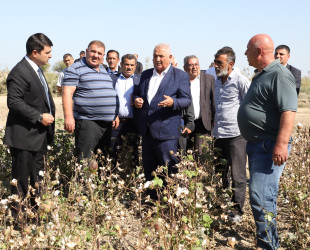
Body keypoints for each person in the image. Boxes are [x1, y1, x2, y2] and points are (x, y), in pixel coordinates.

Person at [239, 34, 297, 249]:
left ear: (259, 51)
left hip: (269, 145)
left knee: (262, 198)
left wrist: (281, 144)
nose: (245, 54)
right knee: (259, 196)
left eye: (247, 50)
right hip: (258, 145)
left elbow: (288, 110)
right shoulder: (263, 74)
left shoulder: (279, 74)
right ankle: (265, 242)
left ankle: (268, 246)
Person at [4, 33, 55, 223]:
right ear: (35, 52)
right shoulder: (19, 72)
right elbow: (14, 101)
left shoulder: (36, 69)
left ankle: (34, 217)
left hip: (38, 137)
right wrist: (39, 116)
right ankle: (17, 221)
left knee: (37, 180)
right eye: (48, 52)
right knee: (21, 182)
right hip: (24, 138)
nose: (50, 56)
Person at [133, 43, 191, 195]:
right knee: (150, 171)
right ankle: (151, 204)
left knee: (169, 170)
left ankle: (170, 205)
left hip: (167, 133)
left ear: (170, 57)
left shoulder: (180, 75)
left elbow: (186, 100)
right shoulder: (145, 74)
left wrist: (174, 102)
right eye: (155, 56)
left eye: (161, 56)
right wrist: (137, 100)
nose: (157, 59)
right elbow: (138, 94)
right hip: (147, 132)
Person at [62, 40, 119, 160]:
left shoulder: (103, 69)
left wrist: (114, 114)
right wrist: (68, 117)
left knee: (103, 162)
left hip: (107, 124)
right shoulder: (75, 69)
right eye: (93, 51)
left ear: (103, 56)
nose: (96, 55)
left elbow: (109, 93)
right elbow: (67, 93)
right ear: (87, 51)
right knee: (84, 162)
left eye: (99, 53)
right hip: (88, 123)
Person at [213, 47, 250, 222]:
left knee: (238, 175)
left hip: (236, 134)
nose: (215, 65)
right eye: (215, 62)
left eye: (219, 63)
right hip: (218, 134)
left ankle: (237, 211)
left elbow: (250, 106)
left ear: (230, 64)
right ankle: (222, 204)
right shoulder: (216, 80)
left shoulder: (241, 80)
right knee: (220, 172)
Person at [179, 55, 215, 155]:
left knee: (202, 153)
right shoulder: (180, 81)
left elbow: (214, 101)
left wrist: (214, 119)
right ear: (185, 68)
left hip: (203, 122)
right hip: (185, 123)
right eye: (191, 65)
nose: (194, 67)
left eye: (196, 64)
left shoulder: (209, 79)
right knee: (184, 154)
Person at [110, 54, 140, 165]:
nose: (129, 67)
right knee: (113, 154)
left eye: (132, 65)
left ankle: (133, 179)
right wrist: (113, 115)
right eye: (126, 64)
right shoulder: (113, 79)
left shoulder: (140, 80)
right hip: (116, 123)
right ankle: (112, 179)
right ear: (121, 64)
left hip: (134, 124)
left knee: (134, 155)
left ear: (135, 66)